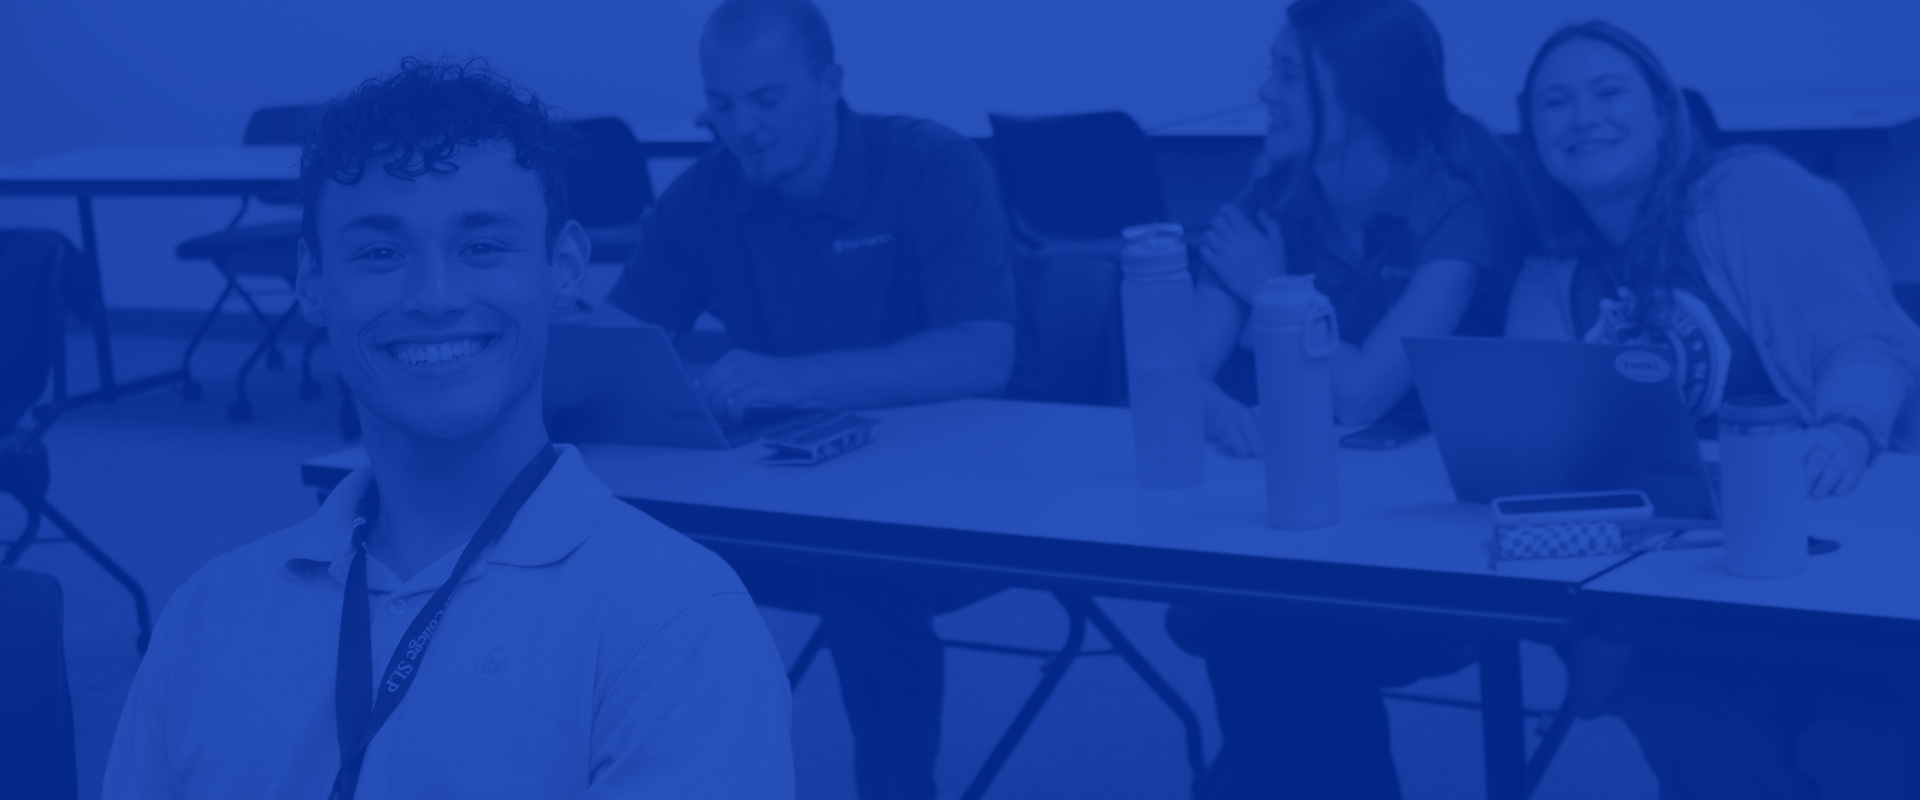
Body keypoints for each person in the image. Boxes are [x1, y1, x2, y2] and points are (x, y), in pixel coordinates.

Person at [101, 59, 793, 799]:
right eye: (380, 253)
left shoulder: (678, 623)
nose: (434, 297)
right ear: (311, 282)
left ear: (564, 267)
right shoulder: (205, 615)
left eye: (482, 247)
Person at [603, 1, 1017, 797]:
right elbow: (615, 348)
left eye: (766, 100)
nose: (742, 129)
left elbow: (983, 356)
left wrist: (796, 378)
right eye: (720, 106)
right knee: (622, 544)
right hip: (792, 488)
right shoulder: (703, 195)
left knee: (865, 568)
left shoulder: (935, 165)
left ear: (830, 83)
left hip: (948, 496)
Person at [1507, 21, 1920, 799]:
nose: (1583, 116)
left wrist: (1846, 429)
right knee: (1684, 711)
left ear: (1665, 113)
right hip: (1683, 568)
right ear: (1533, 137)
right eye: (1554, 103)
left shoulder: (1748, 191)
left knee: (1861, 734)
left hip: (1823, 529)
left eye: (1608, 92)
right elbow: (1536, 425)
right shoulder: (1549, 275)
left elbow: (1863, 338)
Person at [1164, 0, 1532, 797]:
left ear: (1362, 95)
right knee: (1262, 622)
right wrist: (1220, 412)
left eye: (1287, 73)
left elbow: (1365, 394)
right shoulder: (1271, 196)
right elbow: (1174, 370)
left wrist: (1273, 288)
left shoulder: (1453, 200)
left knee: (1267, 631)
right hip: (1306, 520)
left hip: (1436, 540)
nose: (1264, 91)